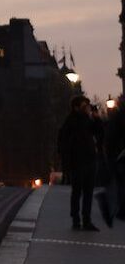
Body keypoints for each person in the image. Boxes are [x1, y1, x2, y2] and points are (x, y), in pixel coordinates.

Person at [57, 97, 100, 230]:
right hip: (77, 161)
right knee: (77, 191)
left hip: (90, 159)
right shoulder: (71, 121)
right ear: (76, 107)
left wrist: (97, 118)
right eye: (84, 105)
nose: (87, 107)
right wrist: (66, 166)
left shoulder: (87, 119)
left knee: (88, 191)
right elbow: (64, 144)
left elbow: (99, 133)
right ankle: (76, 219)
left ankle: (86, 220)